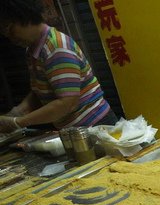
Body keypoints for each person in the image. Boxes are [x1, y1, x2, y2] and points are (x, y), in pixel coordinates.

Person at [0, 0, 118, 133]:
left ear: (23, 15)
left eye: (9, 28)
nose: (9, 37)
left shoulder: (56, 47)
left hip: (96, 125)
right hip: (75, 129)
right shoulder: (33, 49)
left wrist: (20, 122)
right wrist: (19, 111)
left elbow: (68, 103)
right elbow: (41, 90)